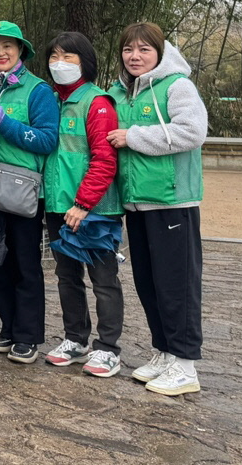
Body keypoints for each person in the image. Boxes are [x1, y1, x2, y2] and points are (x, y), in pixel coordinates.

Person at [107, 22, 207, 396]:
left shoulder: (176, 86)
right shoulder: (122, 91)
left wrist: (133, 137)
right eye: (128, 50)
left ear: (160, 52)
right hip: (137, 202)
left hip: (171, 202)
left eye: (144, 50)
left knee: (176, 286)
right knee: (149, 284)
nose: (134, 56)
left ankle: (185, 365)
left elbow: (192, 132)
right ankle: (164, 351)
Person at [0, 20, 59, 364]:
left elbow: (48, 139)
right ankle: (7, 327)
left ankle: (27, 335)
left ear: (20, 50)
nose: (0, 53)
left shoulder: (38, 91)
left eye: (7, 46)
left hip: (22, 190)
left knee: (25, 263)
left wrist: (5, 121)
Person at [40, 31, 123, 377]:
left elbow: (104, 160)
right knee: (66, 276)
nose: (60, 64)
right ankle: (75, 339)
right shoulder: (50, 101)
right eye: (54, 57)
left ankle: (108, 348)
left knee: (103, 279)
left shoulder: (97, 103)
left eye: (69, 58)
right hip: (58, 204)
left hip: (95, 211)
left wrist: (84, 203)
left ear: (85, 63)